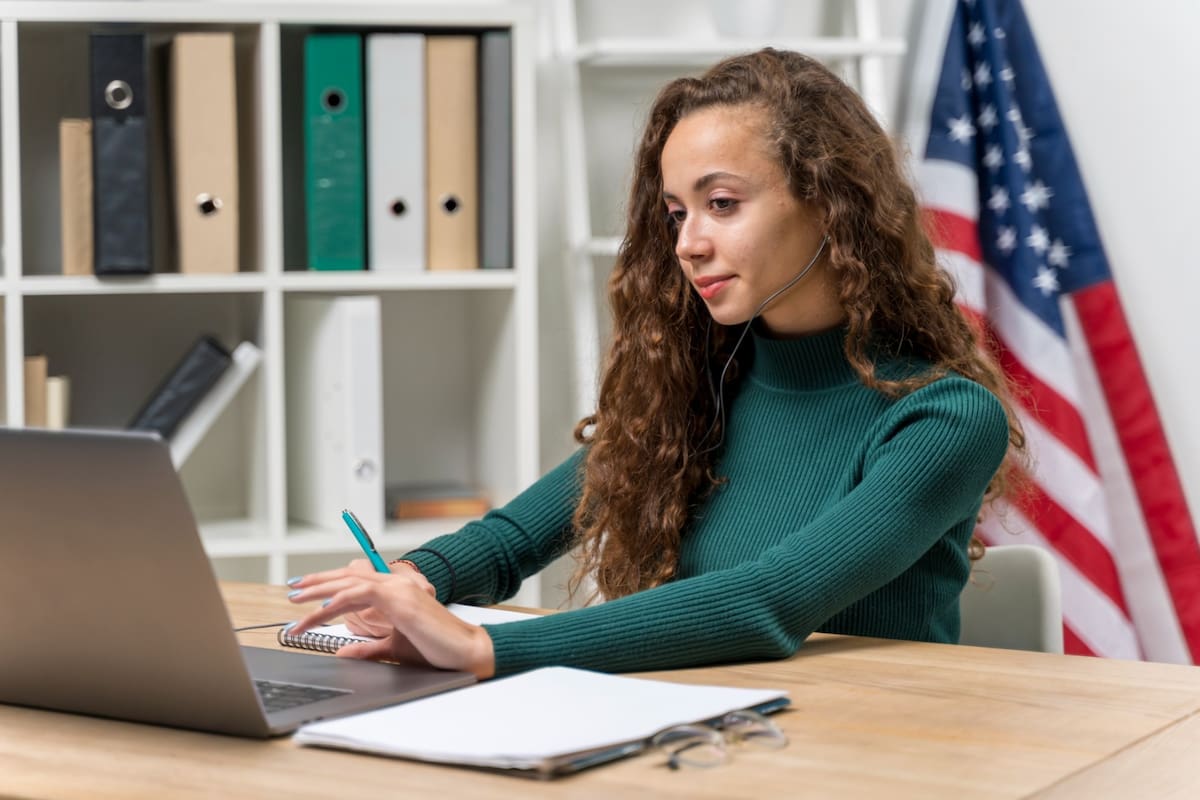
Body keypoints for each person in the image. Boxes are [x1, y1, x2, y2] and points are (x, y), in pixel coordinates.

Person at [286, 48, 1025, 680]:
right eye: (677, 213)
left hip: (874, 758)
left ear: (832, 204)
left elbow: (768, 601)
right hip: (709, 739)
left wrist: (482, 646)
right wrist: (408, 582)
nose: (688, 243)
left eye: (723, 204)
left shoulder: (944, 419)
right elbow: (515, 539)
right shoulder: (700, 387)